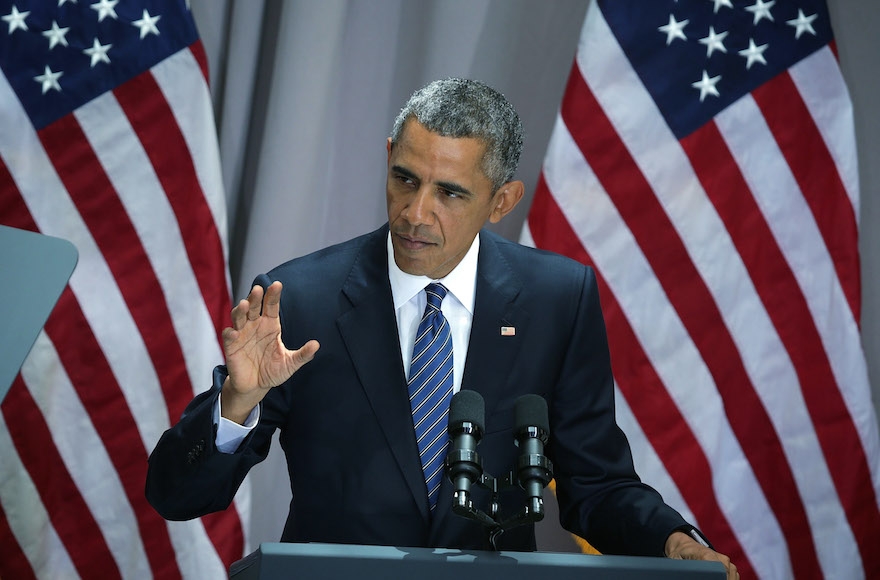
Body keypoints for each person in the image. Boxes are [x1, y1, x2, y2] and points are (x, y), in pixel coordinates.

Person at [146, 78, 737, 578]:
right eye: (406, 178)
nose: (416, 212)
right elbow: (178, 496)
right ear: (387, 157)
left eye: (450, 192)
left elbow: (597, 487)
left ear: (501, 200)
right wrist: (236, 402)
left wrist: (672, 543)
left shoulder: (556, 299)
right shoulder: (302, 298)